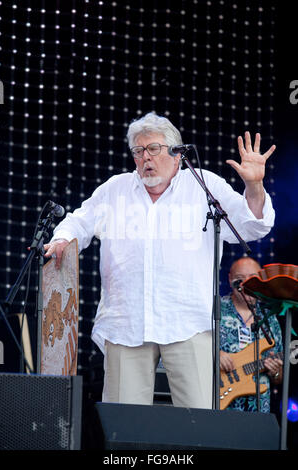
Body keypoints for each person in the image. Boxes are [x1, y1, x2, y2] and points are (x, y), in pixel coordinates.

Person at [43, 112, 276, 409]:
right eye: (138, 152)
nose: (145, 158)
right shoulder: (116, 189)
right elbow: (79, 221)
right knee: (123, 427)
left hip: (188, 321)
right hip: (126, 323)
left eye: (153, 149)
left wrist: (254, 186)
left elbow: (252, 225)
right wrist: (63, 239)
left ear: (177, 154)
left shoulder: (204, 186)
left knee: (197, 425)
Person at [220, 257, 283, 413]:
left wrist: (274, 371)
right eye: (239, 279)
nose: (245, 284)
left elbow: (279, 378)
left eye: (252, 278)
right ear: (229, 279)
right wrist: (213, 354)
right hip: (219, 401)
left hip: (259, 407)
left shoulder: (270, 319)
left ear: (261, 280)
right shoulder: (215, 310)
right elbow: (190, 350)